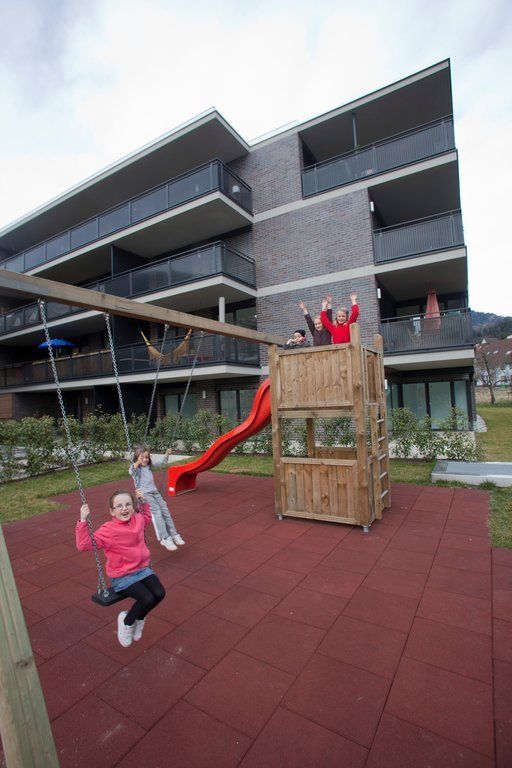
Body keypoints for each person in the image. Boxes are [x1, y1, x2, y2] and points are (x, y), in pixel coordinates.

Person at [76, 489, 166, 647]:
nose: (124, 508)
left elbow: (147, 517)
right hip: (122, 576)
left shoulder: (138, 519)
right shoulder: (108, 530)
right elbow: (83, 545)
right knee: (147, 598)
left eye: (128, 504)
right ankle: (127, 622)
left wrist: (143, 502)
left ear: (133, 506)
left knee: (159, 593)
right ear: (112, 511)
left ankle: (139, 618)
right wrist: (83, 520)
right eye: (119, 506)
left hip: (142, 569)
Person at [129, 446, 185, 551]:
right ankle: (165, 538)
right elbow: (131, 471)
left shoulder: (148, 466)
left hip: (154, 492)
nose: (145, 459)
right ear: (137, 458)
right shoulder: (137, 469)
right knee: (157, 513)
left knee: (165, 510)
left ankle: (173, 534)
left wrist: (167, 454)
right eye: (142, 457)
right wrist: (137, 463)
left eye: (147, 457)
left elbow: (160, 463)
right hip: (145, 494)